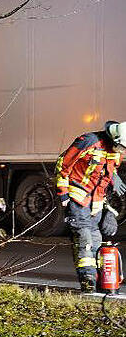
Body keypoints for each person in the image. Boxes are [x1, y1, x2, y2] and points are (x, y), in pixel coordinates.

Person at [55, 121, 126, 293]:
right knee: (84, 239)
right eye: (122, 147)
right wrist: (63, 193)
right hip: (78, 198)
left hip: (96, 203)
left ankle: (99, 281)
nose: (123, 152)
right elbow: (62, 164)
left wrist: (109, 211)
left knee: (96, 240)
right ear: (114, 139)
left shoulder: (117, 153)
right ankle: (87, 280)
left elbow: (104, 183)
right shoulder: (88, 141)